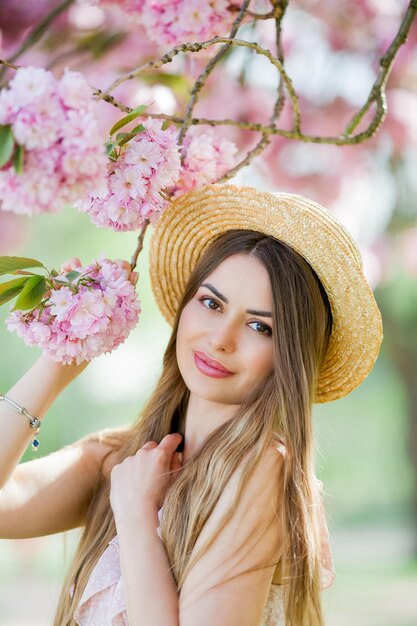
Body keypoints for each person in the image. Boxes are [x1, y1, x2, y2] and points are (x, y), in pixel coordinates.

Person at [0, 183, 383, 626]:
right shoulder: (121, 460)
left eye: (261, 328)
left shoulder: (259, 469)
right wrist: (57, 360)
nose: (220, 339)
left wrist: (139, 519)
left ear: (290, 356)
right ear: (185, 306)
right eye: (211, 303)